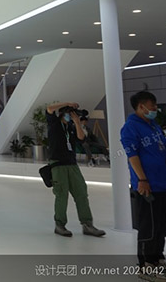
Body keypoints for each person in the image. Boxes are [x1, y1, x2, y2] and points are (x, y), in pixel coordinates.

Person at [120, 91, 166, 281]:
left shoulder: (154, 125)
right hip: (148, 185)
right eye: (152, 106)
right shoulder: (131, 127)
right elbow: (132, 156)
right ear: (141, 107)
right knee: (148, 228)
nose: (155, 109)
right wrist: (142, 179)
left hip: (165, 183)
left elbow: (160, 149)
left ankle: (158, 260)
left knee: (163, 227)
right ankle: (145, 265)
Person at [46, 102, 105, 238]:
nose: (71, 116)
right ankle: (60, 225)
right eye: (69, 113)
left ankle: (87, 224)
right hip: (58, 164)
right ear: (63, 113)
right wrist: (67, 103)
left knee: (81, 193)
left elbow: (81, 138)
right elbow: (49, 108)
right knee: (62, 195)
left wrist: (77, 123)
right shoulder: (54, 123)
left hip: (72, 164)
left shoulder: (71, 127)